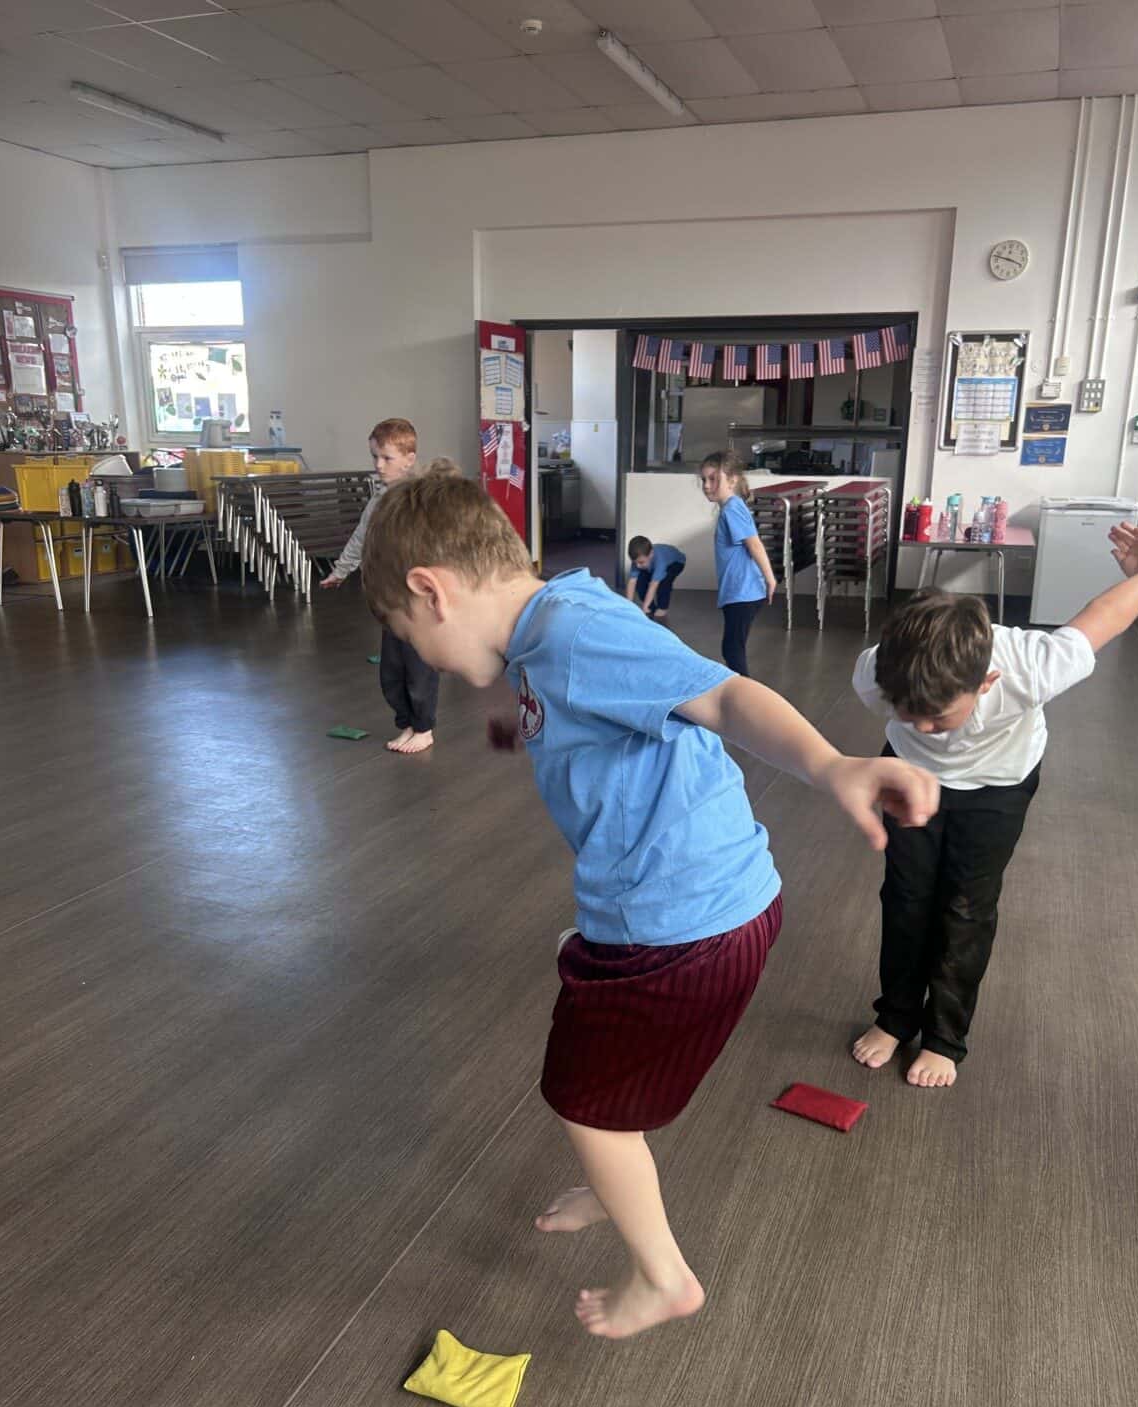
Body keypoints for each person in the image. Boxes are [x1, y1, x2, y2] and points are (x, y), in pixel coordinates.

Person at [361, 465, 938, 1340]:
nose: (423, 659)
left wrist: (830, 765)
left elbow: (721, 695)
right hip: (710, 908)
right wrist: (521, 729)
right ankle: (613, 1183)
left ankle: (663, 1276)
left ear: (431, 592)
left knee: (582, 1100)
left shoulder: (576, 633)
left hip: (675, 924)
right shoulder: (547, 626)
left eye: (409, 635)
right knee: (614, 1073)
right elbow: (589, 708)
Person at [851, 521, 1138, 1089]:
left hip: (999, 785)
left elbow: (1103, 617)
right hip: (910, 775)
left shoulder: (1029, 665)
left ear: (987, 681)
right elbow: (905, 722)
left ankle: (944, 1037)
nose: (926, 728)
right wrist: (906, 740)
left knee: (966, 906)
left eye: (938, 717)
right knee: (905, 896)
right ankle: (895, 1016)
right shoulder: (875, 673)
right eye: (909, 713)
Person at [320, 417, 439, 755]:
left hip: (418, 599)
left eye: (387, 458)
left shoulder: (421, 500)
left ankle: (424, 728)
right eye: (375, 457)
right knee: (392, 669)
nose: (378, 465)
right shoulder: (377, 500)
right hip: (389, 599)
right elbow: (361, 537)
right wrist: (341, 570)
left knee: (418, 665)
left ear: (409, 458)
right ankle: (407, 723)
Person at [701, 451, 776, 678]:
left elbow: (754, 544)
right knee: (732, 648)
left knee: (732, 650)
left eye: (713, 479)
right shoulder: (731, 507)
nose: (706, 485)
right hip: (739, 591)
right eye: (704, 479)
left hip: (743, 592)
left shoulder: (732, 508)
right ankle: (743, 690)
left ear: (732, 480)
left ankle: (746, 693)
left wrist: (770, 579)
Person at [625, 536, 686, 620]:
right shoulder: (638, 560)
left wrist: (644, 607)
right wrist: (629, 606)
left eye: (641, 562)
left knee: (663, 582)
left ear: (651, 554)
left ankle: (662, 608)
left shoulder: (660, 560)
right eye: (635, 563)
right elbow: (632, 581)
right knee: (640, 582)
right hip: (653, 563)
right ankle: (650, 607)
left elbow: (653, 585)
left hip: (675, 563)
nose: (637, 566)